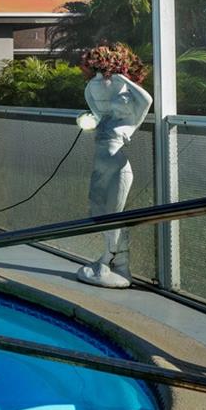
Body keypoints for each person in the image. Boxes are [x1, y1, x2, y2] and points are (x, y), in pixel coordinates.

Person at [77, 71, 153, 289]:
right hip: (100, 171)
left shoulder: (131, 121)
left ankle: (112, 259)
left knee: (113, 216)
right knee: (96, 213)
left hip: (119, 171)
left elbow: (147, 100)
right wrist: (96, 77)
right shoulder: (105, 118)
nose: (121, 99)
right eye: (120, 96)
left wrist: (124, 79)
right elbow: (90, 97)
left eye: (126, 97)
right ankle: (113, 256)